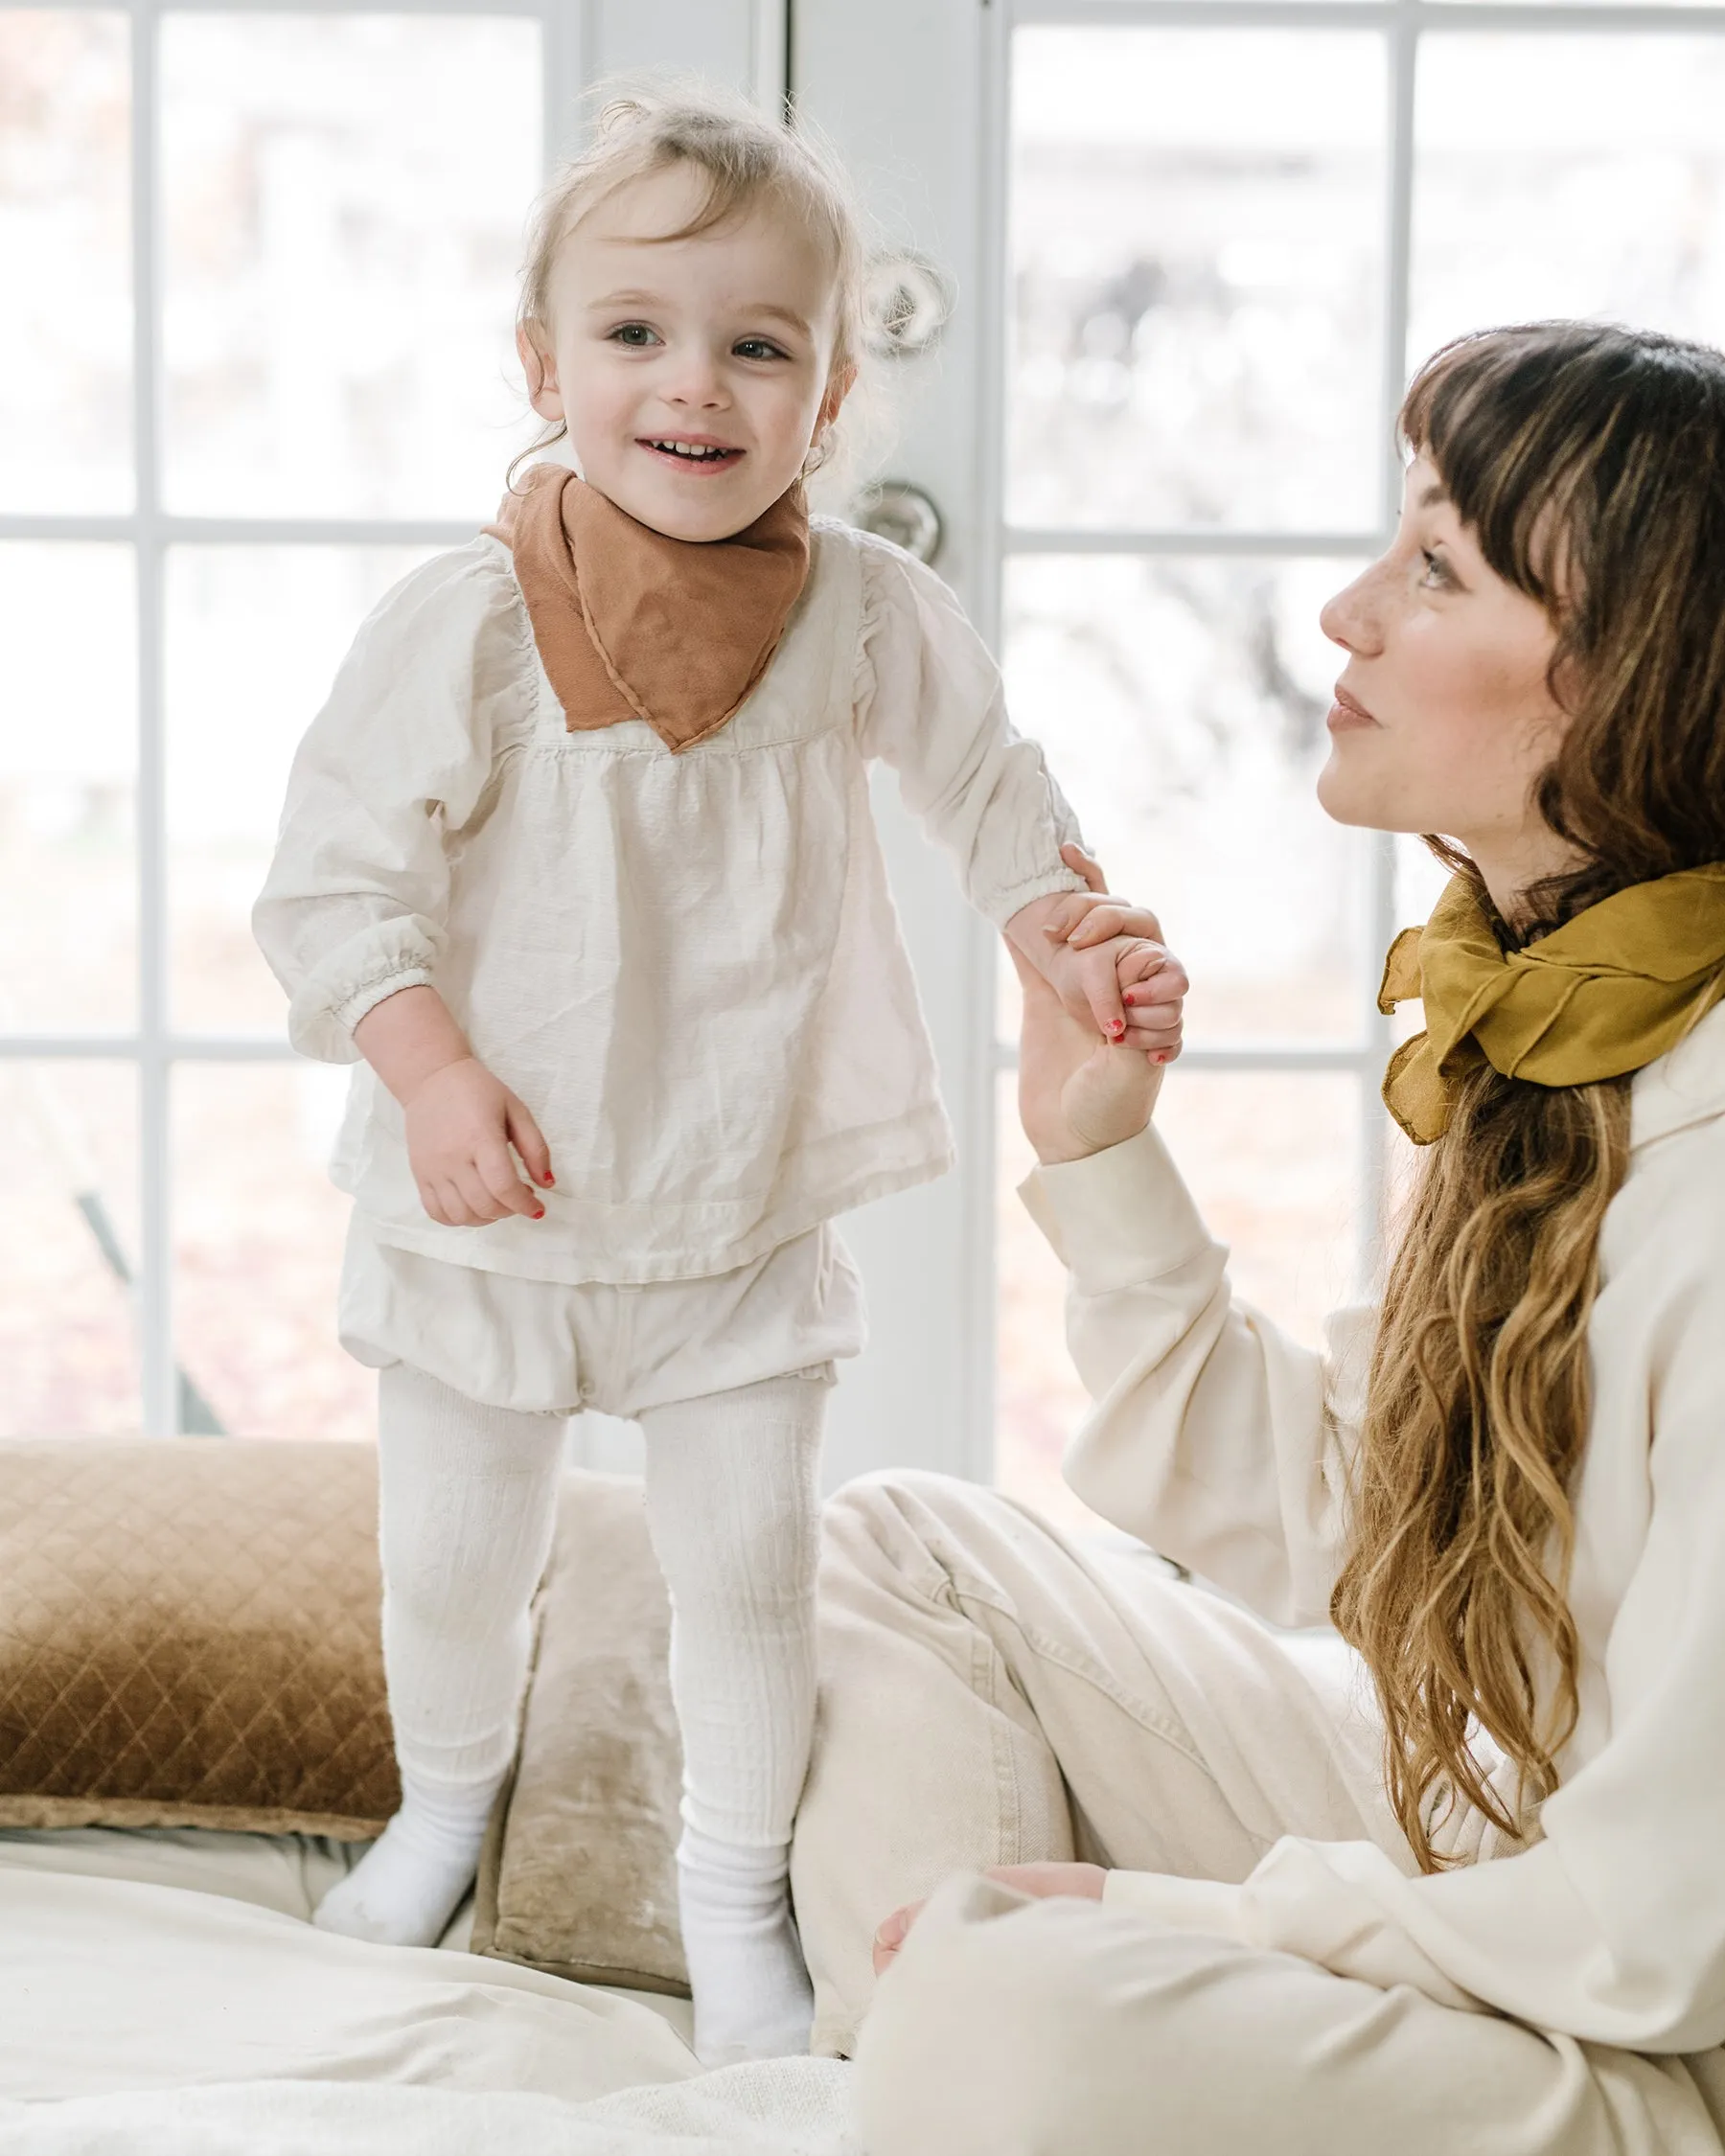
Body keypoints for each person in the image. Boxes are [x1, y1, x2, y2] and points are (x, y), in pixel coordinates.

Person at [251, 87, 1179, 2064]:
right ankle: (442, 1807)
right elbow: (336, 884)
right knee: (449, 1559)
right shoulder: (475, 621)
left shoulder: (867, 614)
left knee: (745, 1577)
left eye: (759, 344)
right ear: (545, 364)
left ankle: (731, 1889)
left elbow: (996, 794)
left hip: (737, 1193)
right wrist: (427, 1077)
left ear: (831, 393)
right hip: (490, 1198)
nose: (697, 384)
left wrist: (1063, 928)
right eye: (638, 333)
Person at [785, 320, 1725, 2152]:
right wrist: (1105, 1154)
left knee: (1023, 2004)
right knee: (907, 1550)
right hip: (1478, 1837)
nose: (1346, 616)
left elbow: (1665, 1922)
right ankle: (917, 2064)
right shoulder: (1551, 1035)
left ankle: (946, 2054)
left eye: (1438, 566)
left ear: (1633, 682)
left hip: (1644, 2015)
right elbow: (1351, 1526)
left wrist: (1186, 1923)